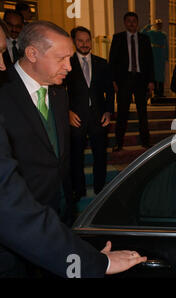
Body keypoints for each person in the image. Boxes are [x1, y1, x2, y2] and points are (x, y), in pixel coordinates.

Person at [0, 20, 146, 278]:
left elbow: (59, 160)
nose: (69, 66)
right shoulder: (4, 92)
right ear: (32, 53)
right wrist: (95, 264)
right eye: (62, 59)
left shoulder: (58, 94)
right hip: (17, 239)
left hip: (59, 220)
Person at [65, 26, 114, 202]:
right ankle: (79, 192)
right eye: (80, 41)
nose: (85, 44)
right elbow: (58, 91)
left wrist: (108, 112)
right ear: (74, 41)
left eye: (87, 40)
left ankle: (100, 190)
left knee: (100, 156)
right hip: (76, 118)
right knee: (76, 157)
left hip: (98, 117)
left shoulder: (102, 63)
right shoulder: (67, 63)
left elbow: (110, 90)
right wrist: (67, 112)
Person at [109, 12, 155, 151]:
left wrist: (151, 81)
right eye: (128, 21)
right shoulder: (118, 38)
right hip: (124, 80)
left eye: (134, 21)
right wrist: (113, 81)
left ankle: (146, 142)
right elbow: (112, 61)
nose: (131, 23)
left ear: (137, 22)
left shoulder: (145, 39)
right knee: (122, 113)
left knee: (143, 113)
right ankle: (119, 143)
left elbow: (149, 61)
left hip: (141, 80)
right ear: (125, 23)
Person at [141, 18, 168, 98]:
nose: (159, 26)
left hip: (160, 55)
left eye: (160, 24)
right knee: (155, 73)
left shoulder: (163, 34)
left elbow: (165, 45)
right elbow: (142, 32)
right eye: (157, 24)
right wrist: (149, 25)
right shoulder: (151, 33)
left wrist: (166, 56)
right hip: (154, 54)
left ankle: (160, 92)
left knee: (161, 74)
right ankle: (155, 92)